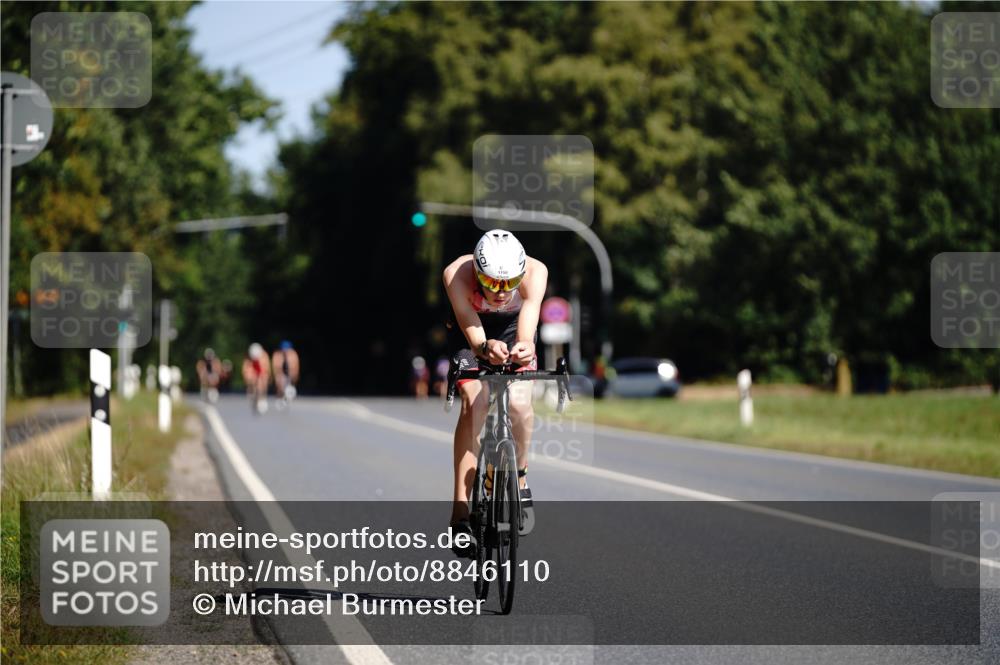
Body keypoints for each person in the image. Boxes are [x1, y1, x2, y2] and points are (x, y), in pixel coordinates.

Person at [442, 229, 547, 556]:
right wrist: (485, 346)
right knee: (476, 402)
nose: (501, 293)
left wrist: (525, 347)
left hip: (514, 331)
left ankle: (519, 476)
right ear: (477, 272)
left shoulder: (536, 271)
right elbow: (470, 327)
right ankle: (460, 509)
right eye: (491, 283)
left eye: (509, 284)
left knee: (517, 403)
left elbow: (528, 325)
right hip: (471, 333)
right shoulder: (456, 273)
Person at [242, 343, 270, 414]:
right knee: (251, 379)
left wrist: (263, 378)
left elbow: (266, 369)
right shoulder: (248, 358)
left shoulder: (264, 356)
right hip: (253, 372)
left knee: (262, 383)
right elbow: (245, 370)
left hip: (261, 371)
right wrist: (249, 380)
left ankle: (262, 398)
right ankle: (252, 394)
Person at [272, 340, 300, 407]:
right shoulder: (277, 354)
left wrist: (295, 375)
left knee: (290, 384)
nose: (285, 351)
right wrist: (277, 376)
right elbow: (275, 366)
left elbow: (296, 366)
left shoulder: (293, 354)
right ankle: (279, 397)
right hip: (280, 372)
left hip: (290, 372)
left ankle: (288, 396)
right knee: (280, 384)